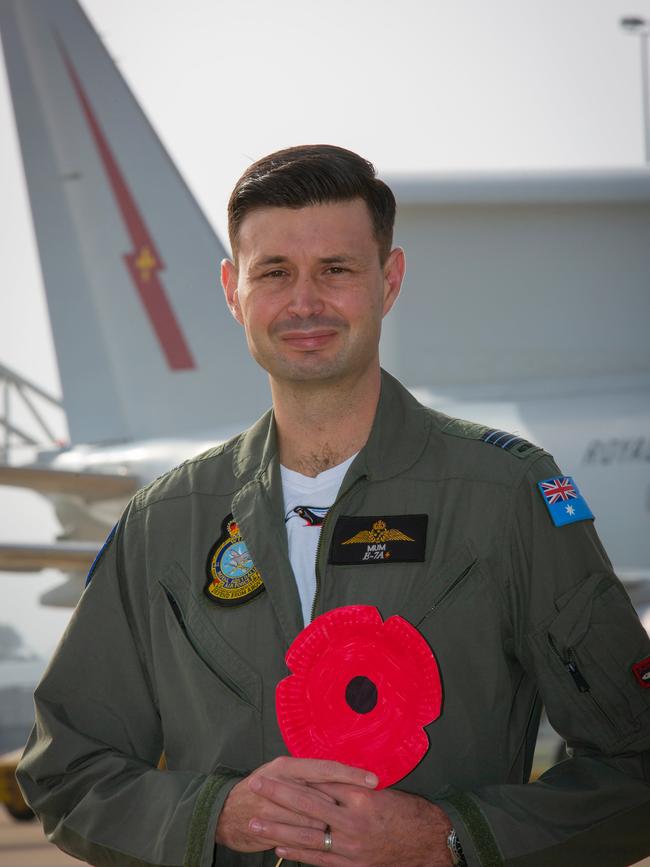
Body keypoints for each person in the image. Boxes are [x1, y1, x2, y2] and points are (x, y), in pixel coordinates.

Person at [18, 145, 650, 867]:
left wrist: (452, 837)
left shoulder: (506, 496)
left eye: (336, 270)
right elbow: (66, 768)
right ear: (233, 290)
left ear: (390, 279)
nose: (305, 301)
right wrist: (217, 815)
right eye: (275, 272)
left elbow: (637, 761)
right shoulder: (168, 519)